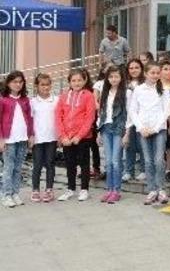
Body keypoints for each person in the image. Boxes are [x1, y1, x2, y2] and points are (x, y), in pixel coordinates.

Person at [127, 62, 170, 205]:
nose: (155, 75)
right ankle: (152, 189)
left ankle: (161, 189)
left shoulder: (163, 90)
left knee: (159, 159)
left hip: (159, 130)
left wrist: (156, 128)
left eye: (157, 73)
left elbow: (167, 110)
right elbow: (133, 110)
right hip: (143, 130)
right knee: (147, 160)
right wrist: (141, 127)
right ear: (145, 73)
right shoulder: (138, 90)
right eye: (152, 73)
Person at [55, 68, 97, 202]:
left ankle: (84, 190)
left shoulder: (88, 95)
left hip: (83, 137)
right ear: (69, 82)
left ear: (85, 80)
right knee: (70, 164)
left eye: (79, 80)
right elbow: (58, 116)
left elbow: (89, 117)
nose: (77, 83)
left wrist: (79, 135)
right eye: (73, 80)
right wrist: (63, 136)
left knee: (84, 164)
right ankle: (70, 189)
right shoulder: (63, 95)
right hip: (67, 138)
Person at [96, 66, 131, 203]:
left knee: (116, 161)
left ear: (121, 78)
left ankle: (116, 190)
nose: (113, 79)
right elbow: (101, 112)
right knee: (109, 162)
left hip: (118, 128)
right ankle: (109, 189)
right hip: (106, 127)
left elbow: (129, 114)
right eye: (111, 77)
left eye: (116, 76)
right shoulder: (105, 92)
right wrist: (99, 132)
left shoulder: (127, 93)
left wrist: (127, 133)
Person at [0, 71, 34, 208]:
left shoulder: (25, 100)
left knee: (18, 168)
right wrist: (1, 139)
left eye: (20, 82)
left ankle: (15, 193)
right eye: (14, 81)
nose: (18, 84)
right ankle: (6, 194)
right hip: (8, 140)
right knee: (9, 168)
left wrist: (31, 135)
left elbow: (30, 119)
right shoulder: (3, 100)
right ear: (8, 83)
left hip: (22, 139)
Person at [30, 74, 58, 203]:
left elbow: (59, 119)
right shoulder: (32, 102)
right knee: (37, 165)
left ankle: (49, 189)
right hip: (38, 138)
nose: (45, 87)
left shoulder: (56, 100)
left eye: (48, 84)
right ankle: (35, 190)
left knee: (50, 164)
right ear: (37, 86)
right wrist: (30, 136)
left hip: (52, 137)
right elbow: (29, 121)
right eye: (42, 84)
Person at [124, 59, 146, 181]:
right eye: (131, 68)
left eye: (136, 67)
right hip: (129, 120)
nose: (134, 70)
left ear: (142, 69)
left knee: (142, 145)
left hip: (142, 119)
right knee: (129, 146)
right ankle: (129, 171)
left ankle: (144, 170)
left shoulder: (145, 84)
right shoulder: (125, 84)